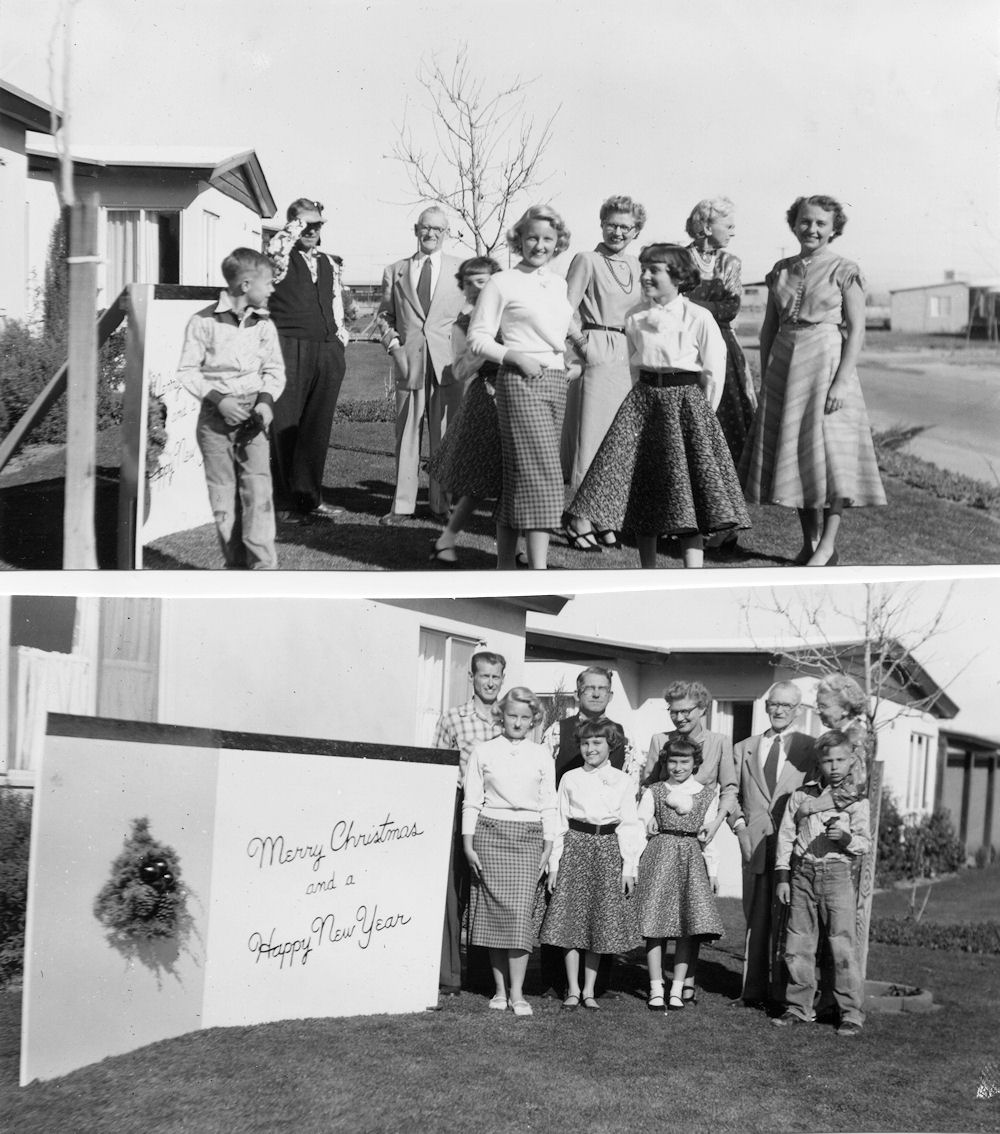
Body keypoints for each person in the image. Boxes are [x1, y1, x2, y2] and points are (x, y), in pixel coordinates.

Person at [567, 244, 750, 569]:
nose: (646, 275)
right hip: (645, 406)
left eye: (656, 271)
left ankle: (693, 572)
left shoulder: (699, 317)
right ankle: (647, 570)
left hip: (686, 408)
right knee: (646, 490)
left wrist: (701, 416)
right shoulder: (635, 316)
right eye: (645, 269)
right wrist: (639, 402)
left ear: (679, 277)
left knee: (688, 494)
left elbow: (713, 371)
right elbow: (635, 366)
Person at [739, 195, 886, 566]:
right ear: (794, 224)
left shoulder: (844, 270)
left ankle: (827, 545)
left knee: (831, 455)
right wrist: (765, 376)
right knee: (797, 455)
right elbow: (769, 328)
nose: (812, 229)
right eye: (805, 221)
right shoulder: (780, 270)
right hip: (786, 367)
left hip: (827, 363)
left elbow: (856, 331)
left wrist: (842, 382)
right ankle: (811, 542)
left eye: (821, 223)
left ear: (834, 229)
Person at [466, 204, 574, 570]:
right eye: (531, 237)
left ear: (558, 242)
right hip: (520, 381)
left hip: (557, 382)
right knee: (541, 475)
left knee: (520, 477)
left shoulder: (558, 283)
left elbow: (556, 332)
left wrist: (565, 362)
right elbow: (477, 339)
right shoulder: (503, 282)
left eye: (547, 238)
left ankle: (504, 567)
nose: (539, 245)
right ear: (518, 239)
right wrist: (516, 357)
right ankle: (539, 569)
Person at [176, 248, 285, 569]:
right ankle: (236, 565)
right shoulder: (203, 322)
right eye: (269, 283)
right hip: (215, 419)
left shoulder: (264, 326)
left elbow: (274, 370)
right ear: (246, 285)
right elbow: (187, 371)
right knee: (223, 495)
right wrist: (218, 400)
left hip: (254, 419)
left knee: (258, 489)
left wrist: (265, 403)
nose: (273, 290)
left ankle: (264, 566)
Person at [539, 666, 641, 998]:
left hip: (607, 841)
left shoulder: (626, 737)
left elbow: (627, 799)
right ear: (578, 693)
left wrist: (629, 861)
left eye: (602, 689)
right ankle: (562, 983)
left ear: (610, 694)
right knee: (566, 912)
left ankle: (595, 986)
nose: (596, 693)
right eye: (589, 688)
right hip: (572, 836)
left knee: (603, 913)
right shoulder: (557, 731)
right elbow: (546, 781)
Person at [463, 687, 557, 1016]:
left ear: (534, 720)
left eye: (524, 717)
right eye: (512, 715)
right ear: (501, 715)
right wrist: (468, 843)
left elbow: (549, 804)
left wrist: (549, 845)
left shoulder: (541, 754)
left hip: (530, 837)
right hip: (489, 835)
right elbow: (472, 800)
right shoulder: (483, 751)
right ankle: (500, 992)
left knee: (519, 917)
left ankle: (518, 993)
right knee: (494, 917)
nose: (517, 722)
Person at [561, 194, 647, 551]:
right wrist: (583, 344)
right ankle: (578, 516)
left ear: (636, 231)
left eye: (626, 227)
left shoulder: (637, 266)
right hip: (596, 348)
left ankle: (603, 516)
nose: (618, 232)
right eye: (612, 224)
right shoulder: (587, 260)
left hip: (626, 356)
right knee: (590, 438)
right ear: (601, 223)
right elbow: (563, 308)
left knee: (617, 440)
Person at [773, 730, 871, 1036]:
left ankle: (850, 1012)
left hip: (837, 874)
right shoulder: (803, 796)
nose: (835, 767)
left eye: (841, 760)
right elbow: (786, 835)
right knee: (798, 943)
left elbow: (864, 843)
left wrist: (844, 838)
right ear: (820, 762)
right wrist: (783, 876)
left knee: (842, 945)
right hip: (802, 874)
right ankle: (799, 1006)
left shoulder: (856, 800)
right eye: (828, 761)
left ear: (851, 760)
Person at [728, 682, 816, 1009]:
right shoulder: (744, 748)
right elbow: (730, 793)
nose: (779, 711)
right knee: (755, 918)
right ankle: (751, 992)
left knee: (790, 921)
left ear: (798, 710)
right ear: (766, 706)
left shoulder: (809, 748)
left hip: (793, 847)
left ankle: (783, 994)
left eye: (787, 706)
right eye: (774, 704)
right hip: (754, 844)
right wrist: (738, 826)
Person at [266, 197, 353, 524]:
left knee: (316, 429)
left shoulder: (331, 262)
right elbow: (274, 251)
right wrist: (297, 225)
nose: (313, 231)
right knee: (285, 425)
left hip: (327, 350)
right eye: (306, 224)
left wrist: (340, 342)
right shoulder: (280, 258)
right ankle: (285, 503)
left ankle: (310, 498)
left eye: (318, 225)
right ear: (292, 226)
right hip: (288, 347)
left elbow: (336, 303)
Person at [377, 206, 465, 524]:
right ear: (416, 230)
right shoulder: (395, 270)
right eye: (426, 228)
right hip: (409, 364)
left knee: (443, 435)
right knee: (407, 434)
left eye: (438, 230)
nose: (431, 234)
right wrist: (394, 346)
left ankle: (440, 506)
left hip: (447, 366)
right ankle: (402, 506)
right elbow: (385, 316)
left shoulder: (461, 270)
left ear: (447, 233)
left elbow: (472, 318)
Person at [685, 197, 757, 555]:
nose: (733, 230)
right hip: (686, 350)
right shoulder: (681, 258)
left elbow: (730, 308)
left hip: (722, 350)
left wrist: (691, 307)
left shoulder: (730, 262)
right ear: (706, 225)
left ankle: (725, 524)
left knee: (725, 434)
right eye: (727, 223)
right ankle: (690, 520)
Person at [433, 650, 506, 997]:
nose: (490, 683)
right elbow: (440, 768)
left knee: (485, 889)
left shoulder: (510, 719)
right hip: (459, 804)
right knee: (453, 889)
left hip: (496, 813)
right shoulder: (452, 719)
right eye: (484, 676)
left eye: (496, 677)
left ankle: (483, 974)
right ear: (472, 678)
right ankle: (449, 973)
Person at [636, 735, 724, 1011]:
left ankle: (677, 988)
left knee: (687, 928)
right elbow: (639, 826)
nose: (677, 767)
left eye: (684, 761)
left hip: (690, 861)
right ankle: (655, 987)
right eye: (672, 761)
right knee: (655, 926)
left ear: (695, 763)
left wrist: (712, 870)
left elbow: (708, 836)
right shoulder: (655, 791)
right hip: (659, 857)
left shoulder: (707, 793)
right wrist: (635, 862)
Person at [427, 256, 504, 566]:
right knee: (479, 480)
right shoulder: (463, 323)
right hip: (485, 400)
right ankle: (446, 539)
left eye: (482, 281)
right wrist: (478, 351)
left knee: (512, 479)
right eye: (469, 283)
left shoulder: (509, 314)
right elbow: (458, 370)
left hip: (518, 396)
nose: (474, 288)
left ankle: (509, 550)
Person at [644, 680, 738, 893]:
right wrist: (648, 816)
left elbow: (730, 789)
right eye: (673, 712)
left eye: (685, 711)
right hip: (663, 837)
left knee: (694, 899)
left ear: (703, 708)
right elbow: (647, 785)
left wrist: (717, 822)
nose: (679, 718)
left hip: (700, 837)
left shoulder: (719, 742)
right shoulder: (660, 741)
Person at [815, 673, 873, 779]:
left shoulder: (856, 739)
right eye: (817, 705)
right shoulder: (840, 735)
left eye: (823, 706)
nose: (818, 711)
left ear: (845, 709)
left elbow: (854, 785)